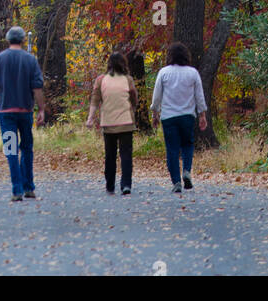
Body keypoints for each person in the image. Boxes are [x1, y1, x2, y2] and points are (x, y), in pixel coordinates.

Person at [0, 26, 45, 202]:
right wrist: (41, 108)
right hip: (25, 111)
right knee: (27, 148)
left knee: (11, 149)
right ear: (22, 40)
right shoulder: (30, 60)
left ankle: (16, 190)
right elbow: (37, 87)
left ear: (7, 39)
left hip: (6, 112)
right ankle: (29, 187)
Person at [150, 42, 208, 192]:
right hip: (187, 116)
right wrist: (202, 114)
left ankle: (176, 181)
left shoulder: (163, 72)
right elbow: (199, 96)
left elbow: (157, 97)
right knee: (188, 144)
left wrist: (155, 113)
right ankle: (187, 171)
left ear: (170, 56)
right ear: (186, 56)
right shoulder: (193, 73)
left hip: (168, 117)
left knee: (172, 149)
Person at [86, 52, 136, 195]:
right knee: (126, 155)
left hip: (108, 123)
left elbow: (95, 100)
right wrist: (133, 107)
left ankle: (110, 185)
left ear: (109, 64)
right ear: (123, 64)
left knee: (110, 155)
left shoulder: (101, 80)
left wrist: (90, 118)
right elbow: (133, 97)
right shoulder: (128, 79)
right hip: (126, 122)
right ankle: (126, 184)